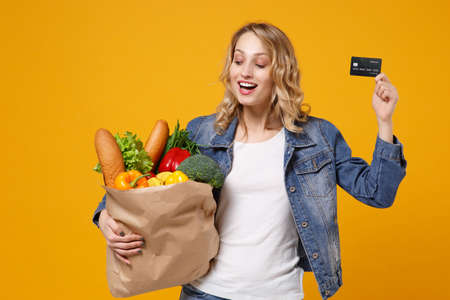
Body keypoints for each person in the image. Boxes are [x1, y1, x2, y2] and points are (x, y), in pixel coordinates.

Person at [92, 22, 407, 300]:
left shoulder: (318, 137)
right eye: (238, 60)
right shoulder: (201, 132)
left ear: (280, 72)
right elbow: (147, 188)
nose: (245, 72)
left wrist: (384, 122)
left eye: (260, 64)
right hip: (206, 291)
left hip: (279, 294)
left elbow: (377, 194)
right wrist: (105, 216)